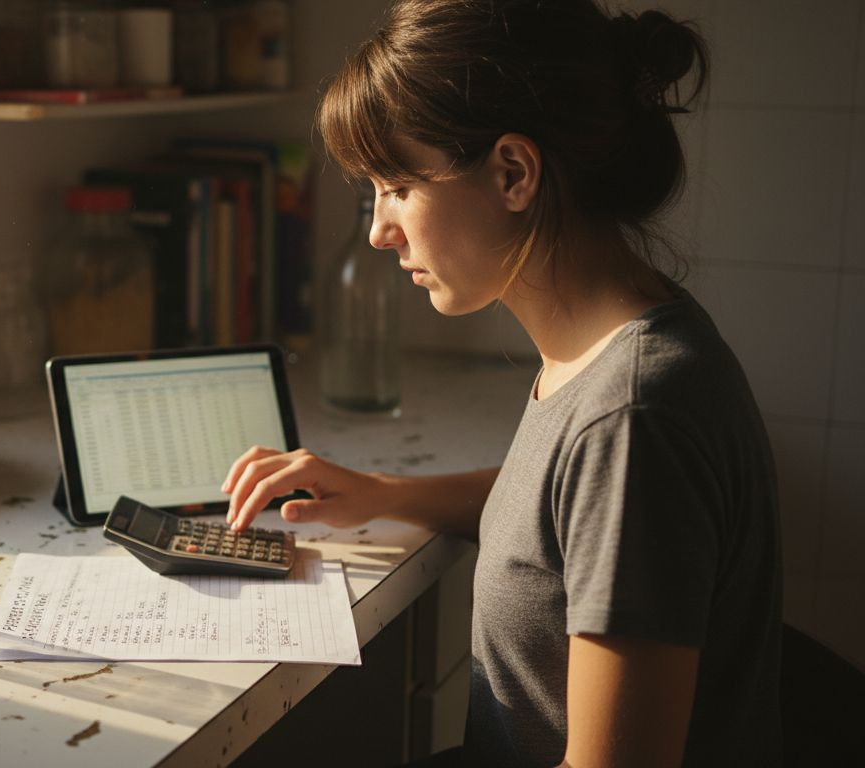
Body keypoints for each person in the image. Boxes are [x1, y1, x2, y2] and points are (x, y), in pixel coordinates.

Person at [220, 1, 782, 766]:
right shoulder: (613, 347)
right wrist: (383, 491)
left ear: (513, 173)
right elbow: (566, 517)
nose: (382, 229)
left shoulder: (632, 416)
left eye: (398, 187)